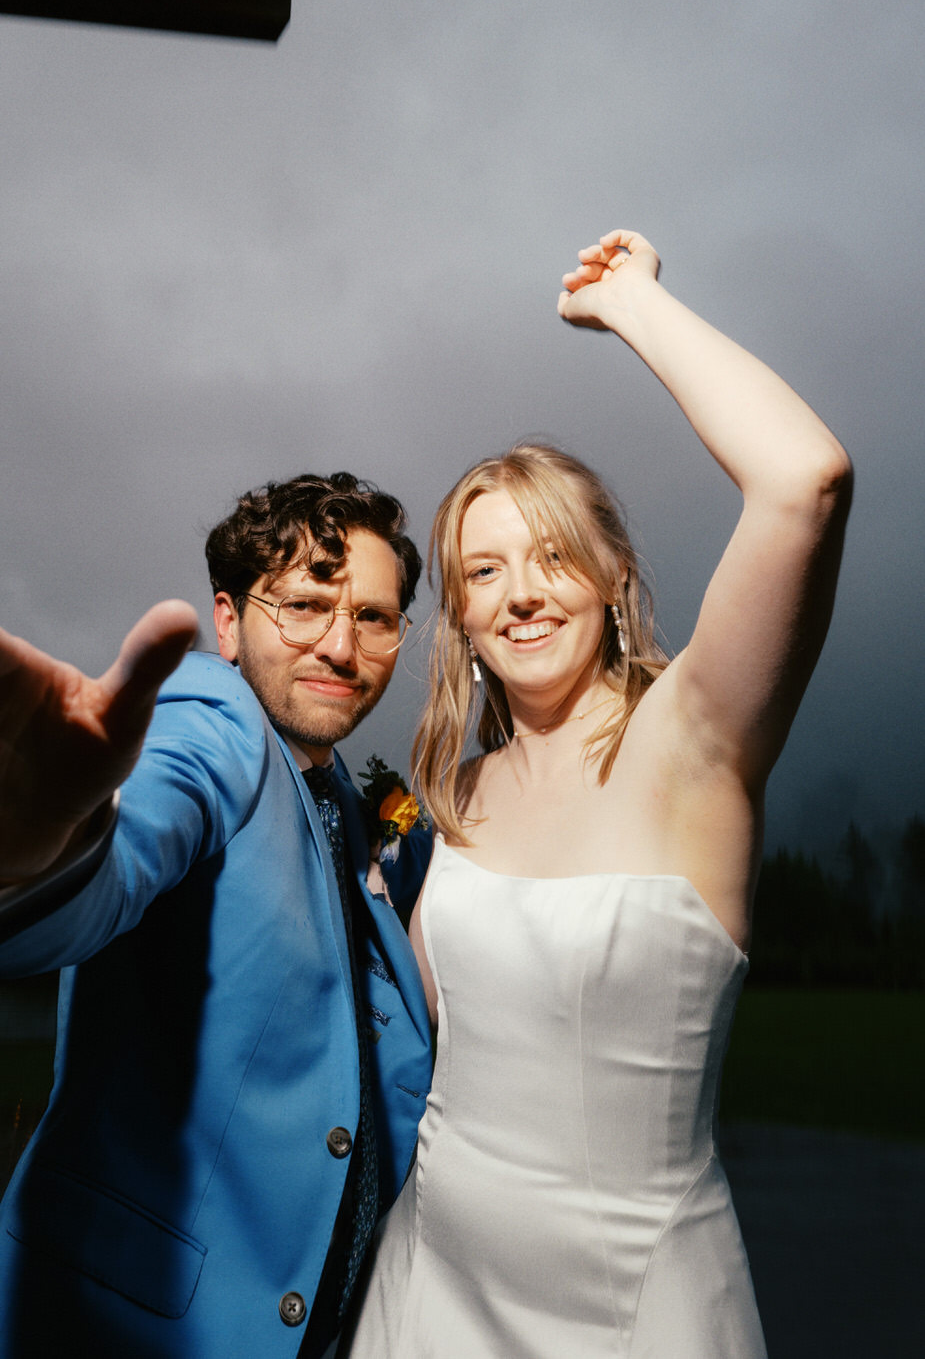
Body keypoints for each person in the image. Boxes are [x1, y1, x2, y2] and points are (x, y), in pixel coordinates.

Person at [339, 230, 852, 1358]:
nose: (521, 596)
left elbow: (803, 481)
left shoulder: (695, 744)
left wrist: (633, 304)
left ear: (615, 577)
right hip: (426, 1295)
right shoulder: (445, 800)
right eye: (484, 572)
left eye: (554, 557)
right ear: (462, 621)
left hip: (634, 1311)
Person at [0, 472, 435, 1359]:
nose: (340, 645)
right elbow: (135, 840)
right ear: (226, 619)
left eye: (373, 617)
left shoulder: (352, 817)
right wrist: (47, 844)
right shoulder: (216, 725)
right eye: (302, 605)